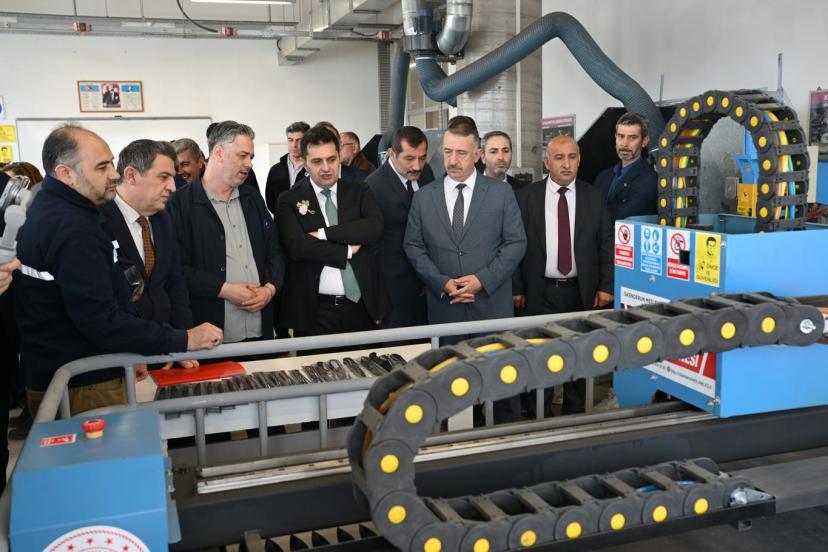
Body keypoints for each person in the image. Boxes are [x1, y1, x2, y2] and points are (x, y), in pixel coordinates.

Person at [14, 124, 224, 419]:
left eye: (111, 163)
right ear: (66, 174)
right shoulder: (72, 227)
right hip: (84, 381)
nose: (114, 174)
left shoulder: (63, 211)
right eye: (102, 167)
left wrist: (134, 350)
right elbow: (101, 319)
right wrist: (184, 339)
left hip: (91, 369)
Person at [513, 135, 614, 414]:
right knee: (538, 359)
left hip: (582, 293)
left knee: (578, 358)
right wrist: (516, 287)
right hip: (539, 293)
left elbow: (607, 243)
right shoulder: (526, 197)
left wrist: (607, 285)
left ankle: (575, 417)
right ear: (547, 162)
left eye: (572, 157)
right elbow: (514, 245)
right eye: (559, 158)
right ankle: (538, 418)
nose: (566, 164)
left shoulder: (594, 196)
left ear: (579, 161)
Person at [170, 121, 285, 344]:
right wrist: (224, 289)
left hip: (260, 331)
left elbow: (275, 251)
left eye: (251, 157)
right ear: (218, 153)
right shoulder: (180, 205)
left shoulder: (252, 198)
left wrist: (269, 289)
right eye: (242, 156)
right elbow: (177, 269)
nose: (249, 164)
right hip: (212, 336)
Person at [277, 125, 389, 348]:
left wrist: (322, 234)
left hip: (361, 308)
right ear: (305, 163)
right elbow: (297, 246)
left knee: (365, 368)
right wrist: (346, 250)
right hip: (314, 312)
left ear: (339, 157)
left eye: (331, 159)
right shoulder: (289, 199)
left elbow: (374, 228)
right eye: (317, 161)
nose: (326, 168)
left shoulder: (359, 191)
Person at [101, 139, 199, 376]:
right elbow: (104, 304)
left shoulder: (163, 218)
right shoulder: (98, 220)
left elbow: (175, 284)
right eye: (163, 177)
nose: (172, 187)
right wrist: (132, 350)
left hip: (166, 353)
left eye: (173, 177)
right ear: (131, 176)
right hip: (122, 359)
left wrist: (183, 341)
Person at [366, 126, 432, 330]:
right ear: (391, 153)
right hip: (393, 292)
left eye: (422, 158)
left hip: (429, 286)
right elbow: (371, 248)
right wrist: (376, 299)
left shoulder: (427, 173)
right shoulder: (373, 186)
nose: (417, 166)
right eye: (409, 158)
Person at [593, 112, 658, 222]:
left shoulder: (650, 180)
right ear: (615, 138)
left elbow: (619, 217)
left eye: (632, 138)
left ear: (644, 141)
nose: (624, 143)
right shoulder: (604, 176)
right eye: (621, 136)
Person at [265, 121, 310, 215]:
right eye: (290, 140)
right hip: (281, 221)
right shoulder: (275, 170)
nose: (294, 145)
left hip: (308, 221)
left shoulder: (313, 169)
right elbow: (270, 201)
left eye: (299, 140)